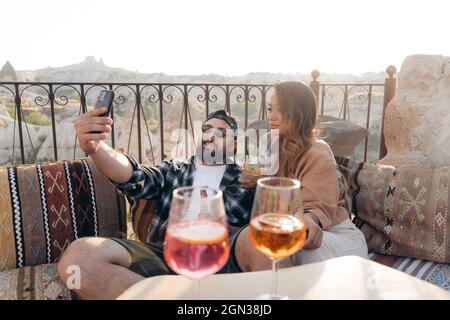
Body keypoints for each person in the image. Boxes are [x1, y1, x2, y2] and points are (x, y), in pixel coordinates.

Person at [57, 109, 254, 299]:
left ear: (234, 144)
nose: (210, 136)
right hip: (166, 256)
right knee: (80, 257)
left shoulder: (247, 180)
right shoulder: (174, 170)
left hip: (221, 262)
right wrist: (96, 147)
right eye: (206, 129)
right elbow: (134, 176)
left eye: (220, 133)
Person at [234, 81, 368, 272]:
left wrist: (309, 220)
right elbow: (266, 173)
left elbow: (316, 207)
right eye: (270, 109)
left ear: (299, 113)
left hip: (337, 237)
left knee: (284, 246)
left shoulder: (317, 152)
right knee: (259, 241)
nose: (271, 117)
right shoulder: (269, 142)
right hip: (287, 226)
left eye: (281, 111)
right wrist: (253, 177)